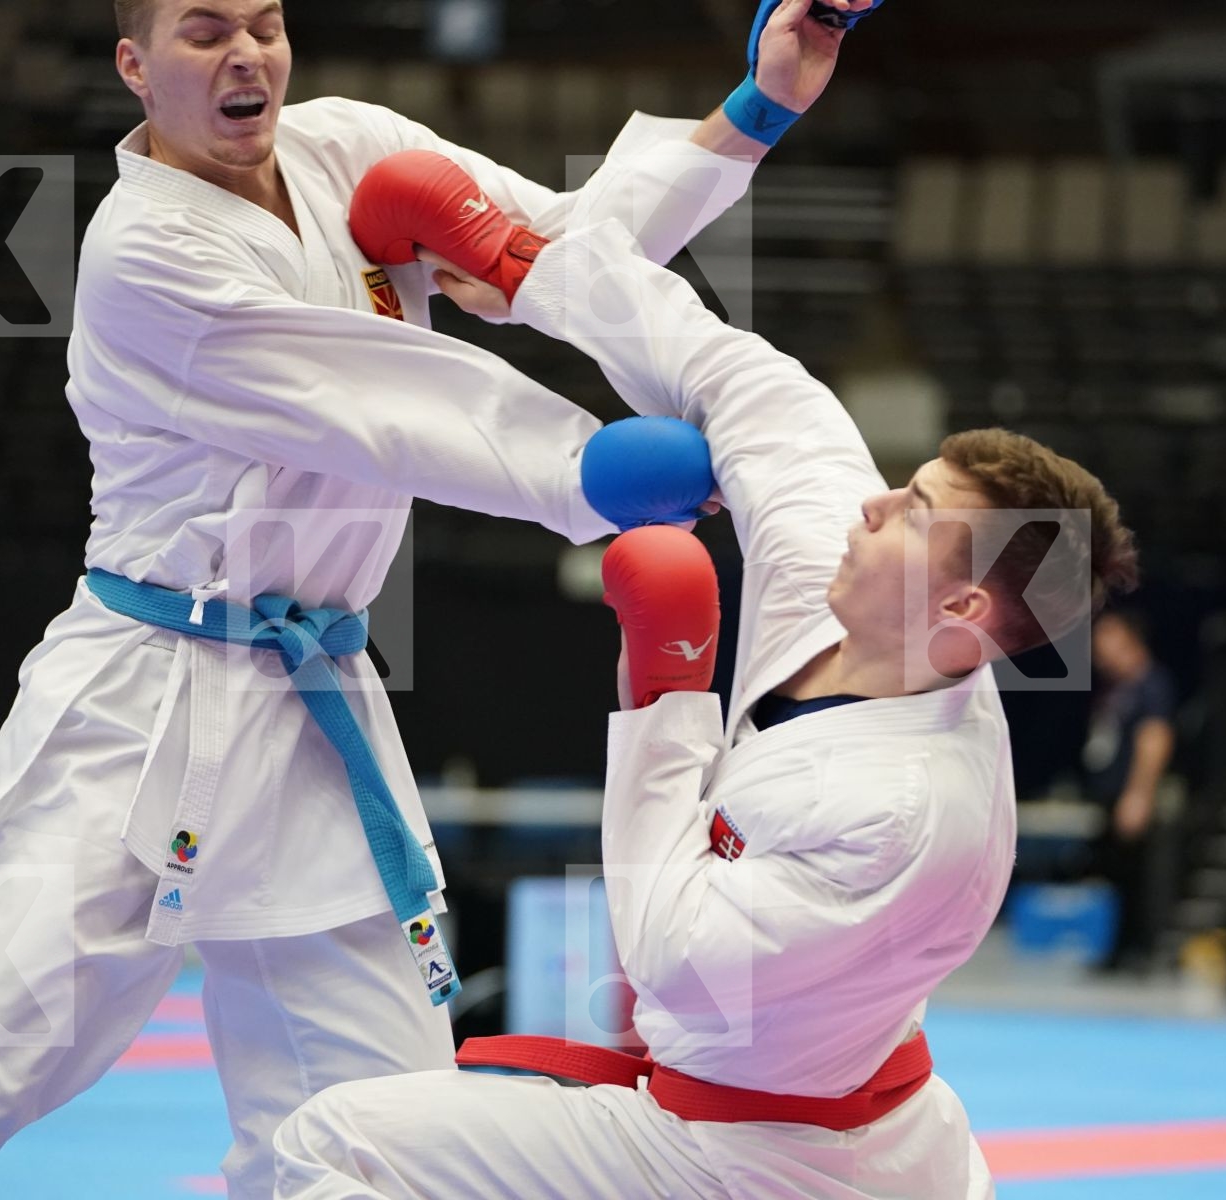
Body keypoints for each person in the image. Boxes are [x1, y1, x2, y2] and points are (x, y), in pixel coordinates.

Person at [0, 0, 841, 1196]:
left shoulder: (349, 147)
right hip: (144, 707)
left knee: (378, 1119)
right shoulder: (144, 253)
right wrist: (594, 471)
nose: (246, 55)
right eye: (203, 30)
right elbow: (381, 400)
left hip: (313, 708)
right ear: (135, 66)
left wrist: (754, 111)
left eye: (265, 24)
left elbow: (558, 246)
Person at [268, 128, 1139, 1200]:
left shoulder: (911, 816)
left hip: (775, 1162)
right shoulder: (850, 573)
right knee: (342, 1142)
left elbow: (670, 953)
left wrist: (666, 691)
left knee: (333, 1145)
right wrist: (520, 269)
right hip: (778, 1103)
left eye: (913, 512)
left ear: (961, 605)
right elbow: (742, 384)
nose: (872, 504)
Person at [1081, 609, 1177, 970]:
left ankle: (1142, 951)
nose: (1098, 653)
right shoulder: (1119, 689)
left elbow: (1155, 740)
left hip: (1133, 798)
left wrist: (1138, 795)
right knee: (1116, 876)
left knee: (1139, 877)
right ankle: (1120, 948)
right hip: (1112, 795)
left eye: (1106, 642)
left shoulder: (1151, 684)